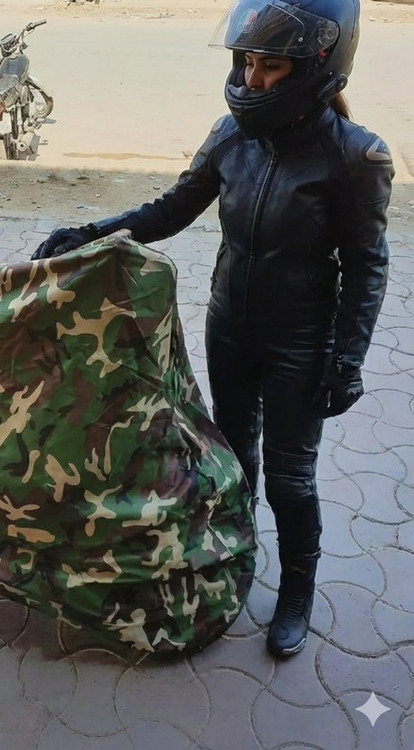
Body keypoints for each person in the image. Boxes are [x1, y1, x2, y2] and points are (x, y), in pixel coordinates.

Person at [31, 0, 393, 658]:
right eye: (246, 61)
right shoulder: (230, 136)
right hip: (228, 327)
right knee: (232, 455)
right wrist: (91, 233)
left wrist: (349, 358)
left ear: (319, 67)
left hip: (300, 344)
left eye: (271, 66)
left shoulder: (355, 156)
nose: (252, 79)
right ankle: (236, 554)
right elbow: (172, 208)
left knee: (290, 478)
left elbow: (368, 265)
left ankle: (297, 590)